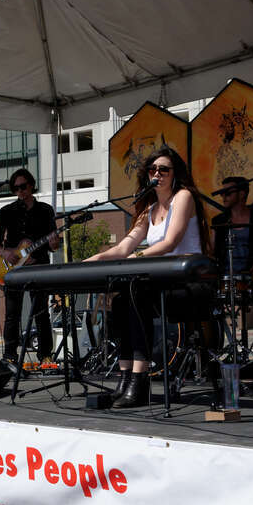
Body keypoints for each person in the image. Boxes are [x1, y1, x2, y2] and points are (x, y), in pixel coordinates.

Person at [86, 146, 210, 408]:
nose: (158, 174)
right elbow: (123, 248)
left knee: (136, 296)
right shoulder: (148, 210)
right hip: (160, 283)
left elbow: (170, 241)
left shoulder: (183, 197)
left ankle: (140, 380)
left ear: (175, 174)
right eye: (153, 170)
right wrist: (96, 259)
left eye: (164, 169)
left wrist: (136, 258)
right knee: (121, 300)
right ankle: (125, 379)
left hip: (188, 283)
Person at [0, 168, 60, 367]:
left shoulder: (45, 210)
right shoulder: (7, 211)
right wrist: (5, 253)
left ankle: (45, 356)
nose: (20, 191)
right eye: (16, 188)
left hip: (38, 266)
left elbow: (53, 245)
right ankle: (10, 356)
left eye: (23, 186)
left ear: (31, 185)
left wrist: (55, 244)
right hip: (13, 269)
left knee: (41, 312)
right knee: (12, 314)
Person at [211, 176, 253, 361]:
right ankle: (222, 347)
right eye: (222, 193)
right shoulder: (218, 221)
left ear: (242, 194)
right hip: (225, 277)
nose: (223, 196)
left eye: (228, 192)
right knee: (206, 297)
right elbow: (210, 252)